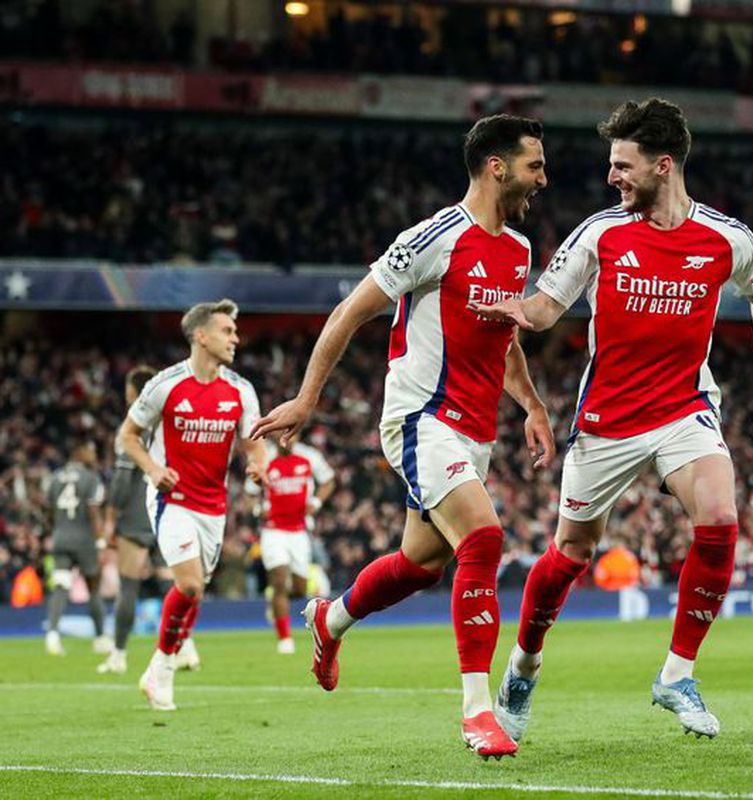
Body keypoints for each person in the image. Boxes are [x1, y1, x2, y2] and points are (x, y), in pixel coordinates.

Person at [471, 98, 753, 741]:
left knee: (720, 518)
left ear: (662, 165)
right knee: (571, 553)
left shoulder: (728, 239)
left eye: (622, 165)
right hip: (608, 418)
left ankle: (677, 674)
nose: (611, 176)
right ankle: (524, 665)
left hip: (684, 408)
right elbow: (545, 308)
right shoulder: (601, 233)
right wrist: (511, 309)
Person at [251, 114, 553, 761]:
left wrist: (530, 403)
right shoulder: (432, 237)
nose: (543, 178)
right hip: (420, 417)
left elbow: (504, 339)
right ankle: (478, 712)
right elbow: (349, 312)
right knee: (483, 537)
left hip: (475, 432)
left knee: (420, 565)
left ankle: (330, 619)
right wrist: (306, 398)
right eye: (535, 165)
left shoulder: (519, 250)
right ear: (496, 166)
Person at [118, 299, 266, 710]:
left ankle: (173, 652)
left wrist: (258, 466)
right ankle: (160, 671)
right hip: (171, 497)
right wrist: (152, 469)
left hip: (213, 505)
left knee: (195, 592)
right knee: (190, 584)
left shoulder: (241, 390)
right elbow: (128, 435)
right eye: (227, 331)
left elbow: (253, 443)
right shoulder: (164, 385)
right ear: (201, 336)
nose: (235, 339)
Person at [97, 365, 160, 675]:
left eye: (127, 389)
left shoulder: (130, 428)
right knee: (177, 584)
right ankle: (184, 647)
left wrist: (111, 518)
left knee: (129, 585)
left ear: (136, 392)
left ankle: (119, 654)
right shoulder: (169, 425)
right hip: (168, 509)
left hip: (136, 513)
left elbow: (122, 480)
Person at [247, 438, 335, 654]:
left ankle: (276, 605)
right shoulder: (264, 459)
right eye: (281, 433)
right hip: (273, 531)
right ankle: (285, 639)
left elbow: (329, 481)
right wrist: (257, 509)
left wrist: (316, 502)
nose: (286, 439)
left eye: (290, 433)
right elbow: (250, 492)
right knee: (278, 581)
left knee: (299, 589)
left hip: (299, 531)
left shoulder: (309, 456)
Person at [44, 440, 110, 657]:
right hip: (84, 539)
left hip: (60, 538)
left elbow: (48, 509)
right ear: (84, 455)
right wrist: (100, 541)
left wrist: (55, 530)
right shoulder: (91, 478)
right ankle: (100, 637)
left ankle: (52, 634)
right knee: (93, 588)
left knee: (60, 586)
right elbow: (93, 510)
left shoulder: (55, 477)